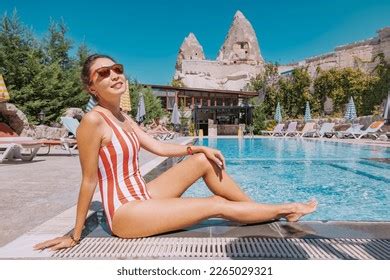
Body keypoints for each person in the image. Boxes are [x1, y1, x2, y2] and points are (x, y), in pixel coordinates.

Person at [34, 54, 317, 251]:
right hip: (125, 212)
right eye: (103, 73)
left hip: (143, 194)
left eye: (117, 69)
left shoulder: (122, 116)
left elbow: (156, 146)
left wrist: (197, 147)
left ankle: (254, 211)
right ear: (91, 86)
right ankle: (285, 209)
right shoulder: (92, 121)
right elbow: (88, 181)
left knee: (201, 161)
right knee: (215, 203)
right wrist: (75, 233)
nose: (114, 75)